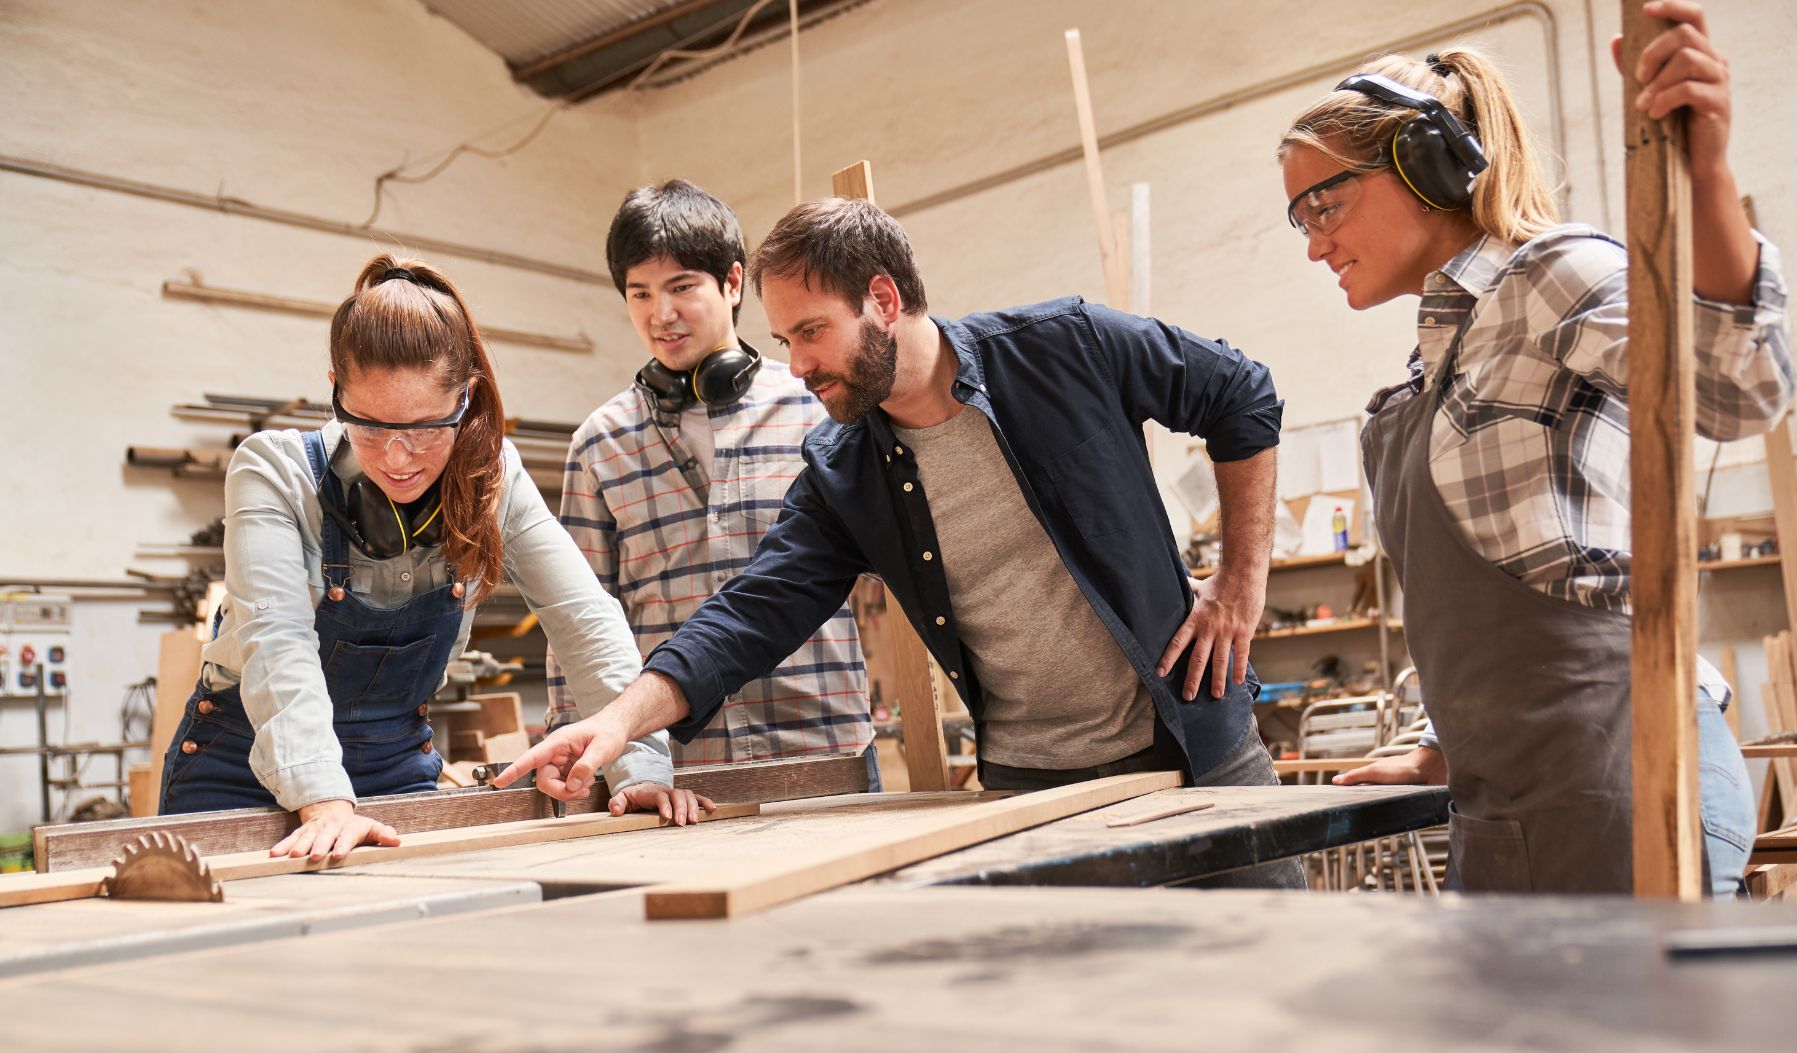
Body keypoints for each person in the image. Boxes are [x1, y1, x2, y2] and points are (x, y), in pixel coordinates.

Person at [498, 197, 1306, 886]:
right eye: (784, 342)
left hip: (1196, 753)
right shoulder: (844, 469)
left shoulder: (1064, 347)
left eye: (812, 331)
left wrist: (1241, 582)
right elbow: (749, 615)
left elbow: (1240, 394)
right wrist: (621, 721)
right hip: (1033, 793)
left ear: (883, 298)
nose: (800, 365)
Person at [1277, 1, 1789, 895]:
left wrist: (1705, 174)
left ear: (1425, 164)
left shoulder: (1551, 275)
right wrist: (1437, 745)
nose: (1316, 243)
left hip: (1626, 773)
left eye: (1326, 202)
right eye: (1300, 219)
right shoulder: (1425, 376)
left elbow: (1735, 390)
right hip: (1504, 803)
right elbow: (1487, 610)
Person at [158, 254, 713, 862]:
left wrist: (638, 767)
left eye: (426, 429)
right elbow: (277, 642)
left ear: (466, 398)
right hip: (240, 767)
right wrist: (322, 799)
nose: (398, 458)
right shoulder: (274, 472)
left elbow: (583, 619)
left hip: (392, 768)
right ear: (336, 390)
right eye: (371, 427)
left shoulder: (494, 477)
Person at [546, 181, 874, 784]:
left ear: (733, 283)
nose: (660, 314)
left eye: (681, 287)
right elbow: (579, 622)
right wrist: (586, 760)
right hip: (678, 772)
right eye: (639, 293)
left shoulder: (817, 408)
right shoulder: (600, 444)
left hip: (825, 749)